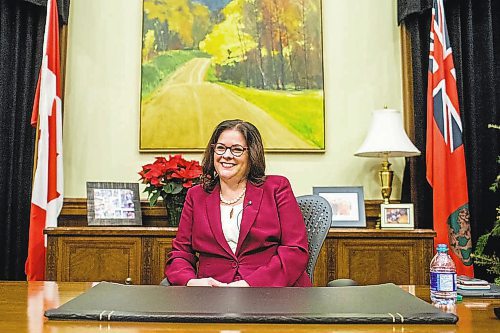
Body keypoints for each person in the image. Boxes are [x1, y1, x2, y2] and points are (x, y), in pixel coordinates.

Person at [165, 119, 311, 287]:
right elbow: (180, 253)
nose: (226, 155)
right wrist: (191, 282)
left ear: (252, 154)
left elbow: (295, 251)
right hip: (213, 297)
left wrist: (250, 284)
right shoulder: (196, 195)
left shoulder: (277, 188)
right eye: (220, 148)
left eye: (237, 150)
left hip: (271, 294)